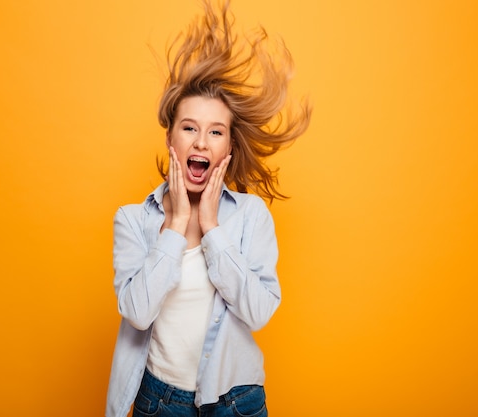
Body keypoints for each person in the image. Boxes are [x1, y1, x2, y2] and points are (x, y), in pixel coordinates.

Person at [105, 1, 310, 416]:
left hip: (237, 401)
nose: (201, 142)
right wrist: (177, 223)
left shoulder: (251, 217)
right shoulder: (133, 220)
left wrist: (213, 228)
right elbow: (138, 314)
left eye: (216, 132)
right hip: (160, 401)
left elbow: (258, 312)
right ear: (170, 140)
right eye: (189, 128)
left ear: (228, 147)